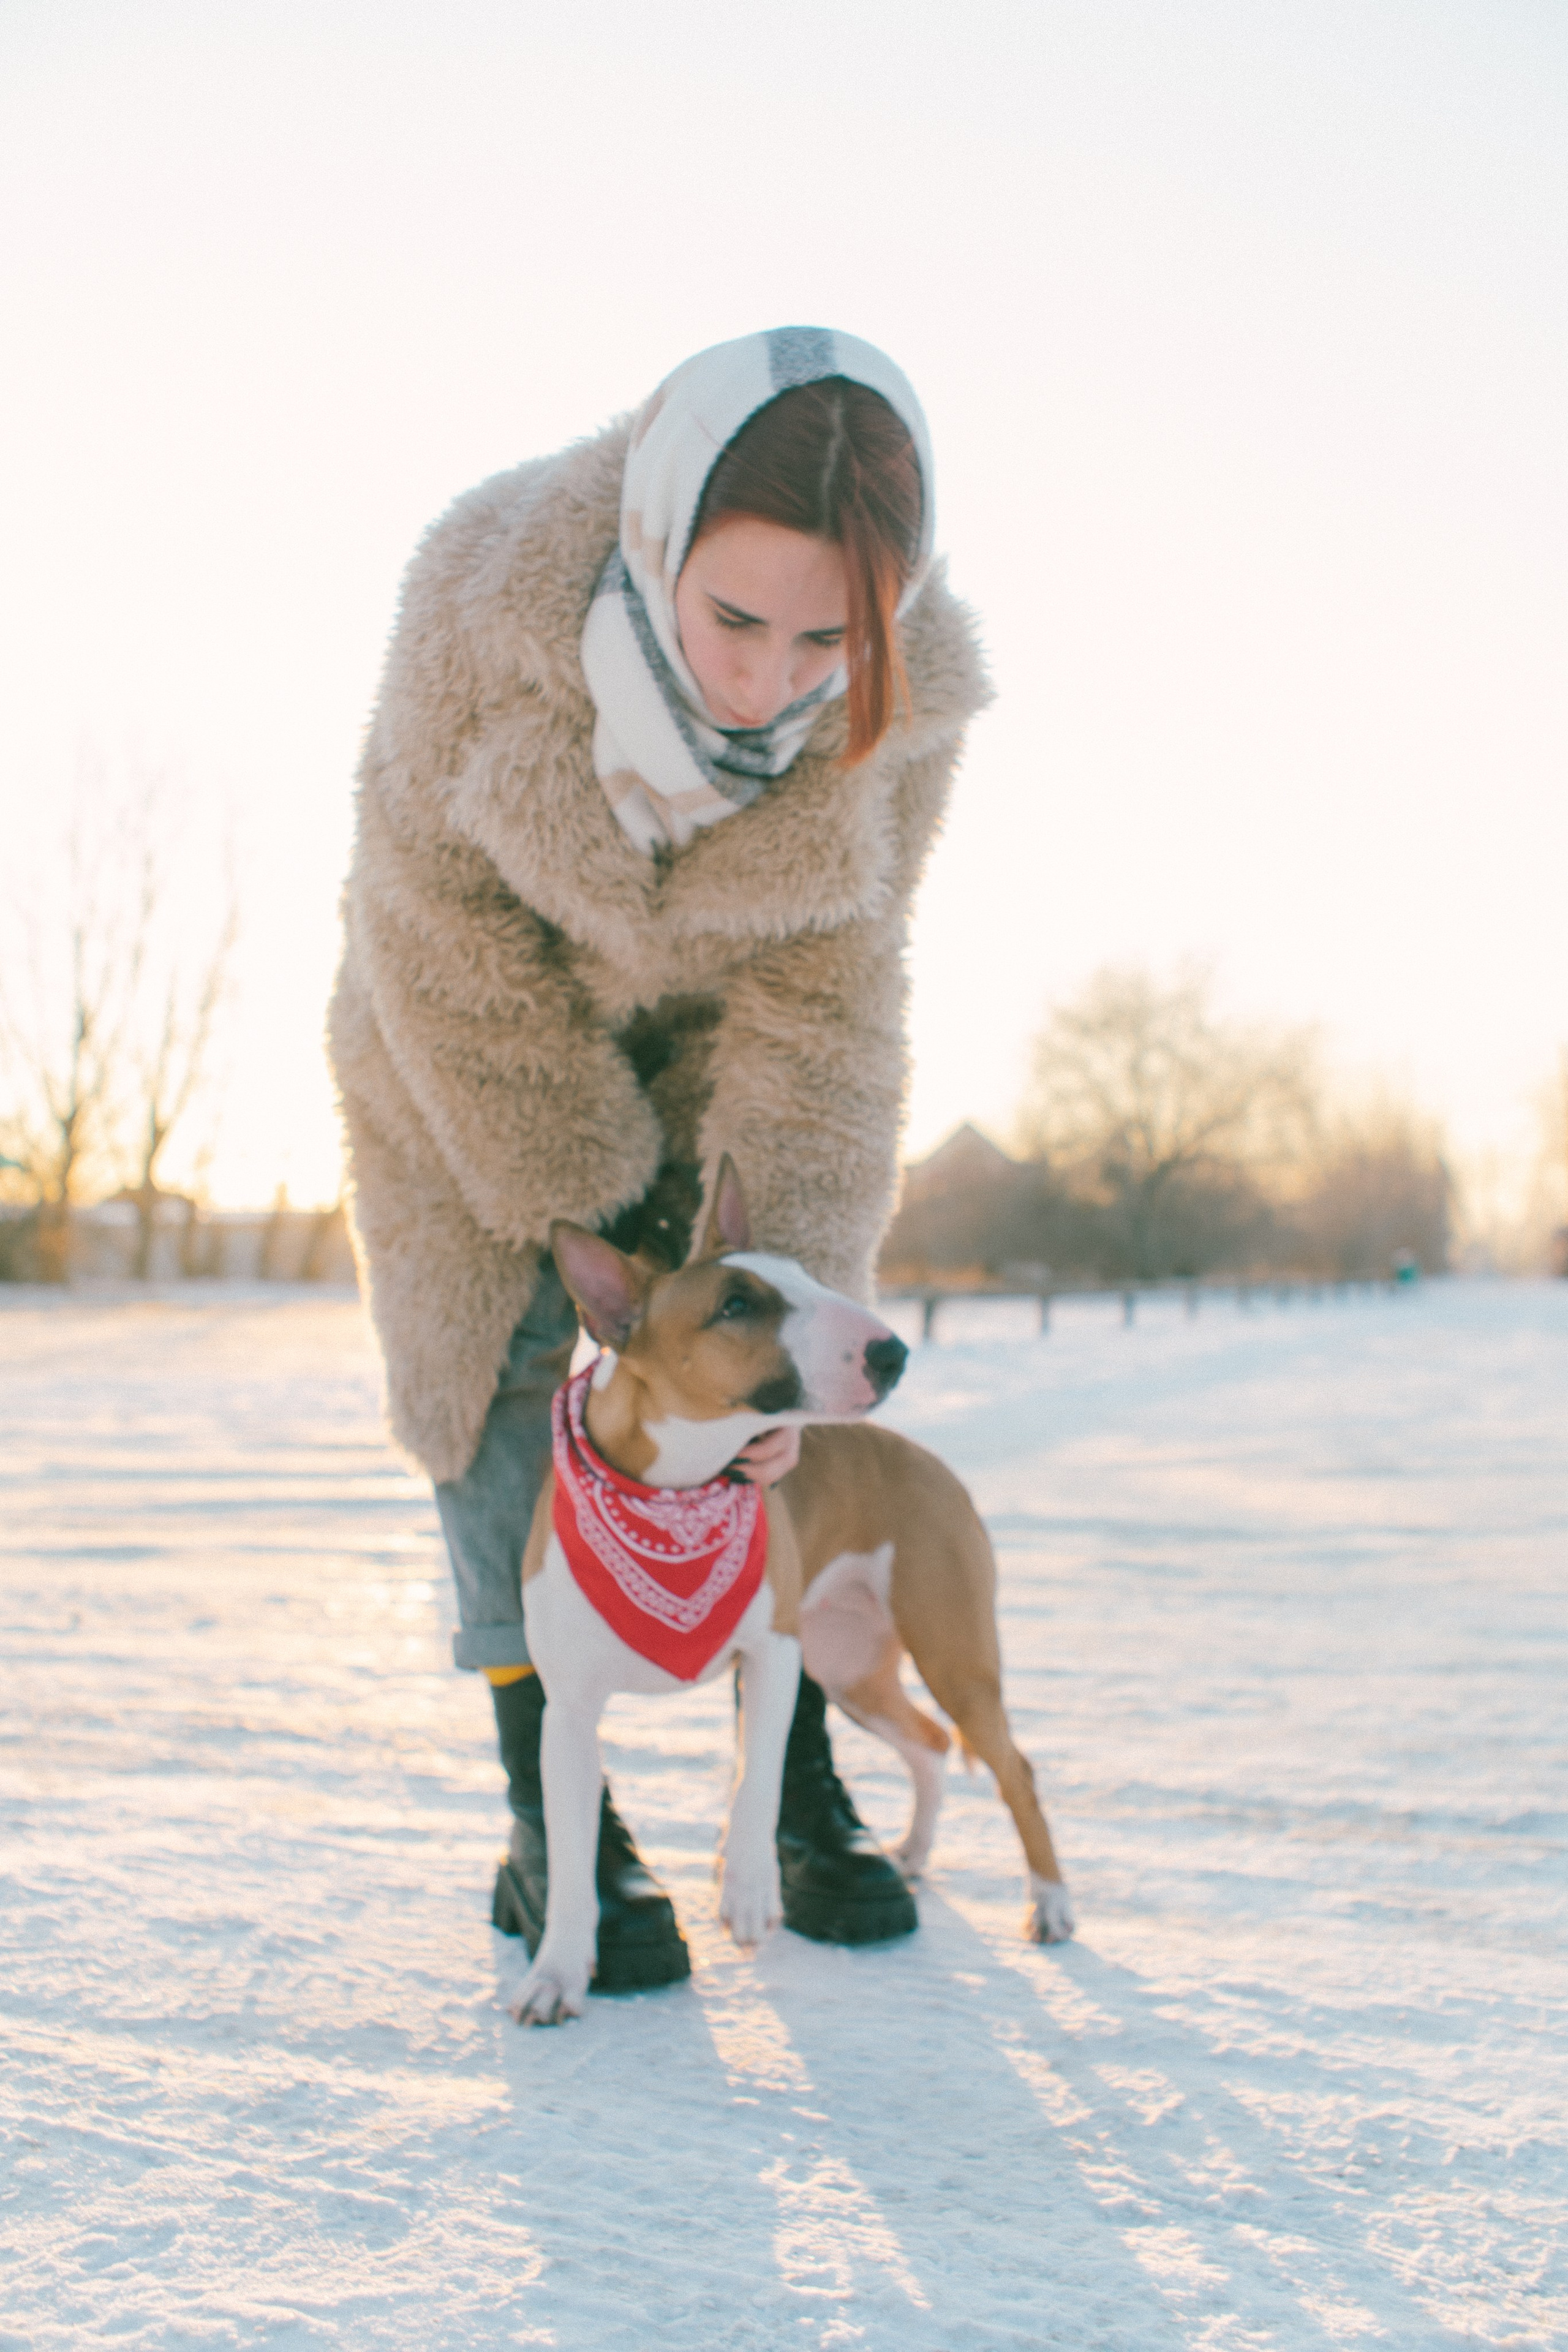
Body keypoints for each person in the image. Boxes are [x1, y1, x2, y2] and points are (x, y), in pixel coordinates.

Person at [328, 326, 990, 1989]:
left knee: (743, 1398)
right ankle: (554, 1817)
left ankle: (794, 1788)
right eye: (738, 619)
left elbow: (830, 1015)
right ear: (656, 543)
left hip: (717, 1076)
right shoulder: (481, 618)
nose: (773, 680)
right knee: (502, 1397)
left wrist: (789, 1351)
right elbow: (433, 933)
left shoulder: (897, 727)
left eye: (831, 635)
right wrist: (590, 1206)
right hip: (467, 1060)